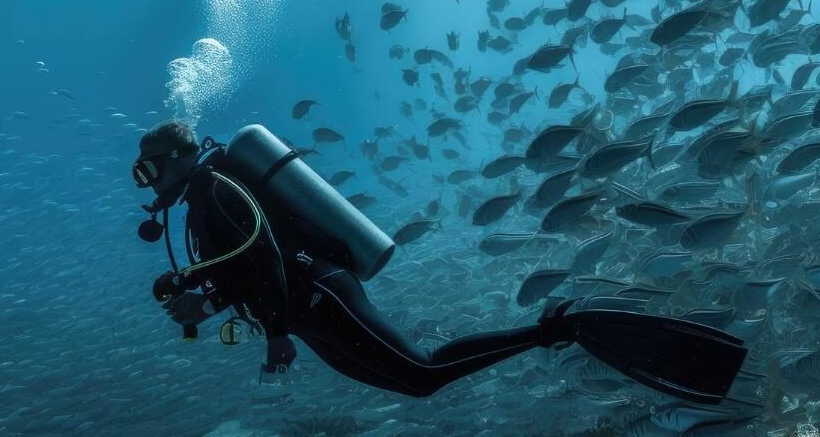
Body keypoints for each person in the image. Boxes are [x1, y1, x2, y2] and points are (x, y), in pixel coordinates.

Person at [133, 119, 748, 401]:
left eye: (150, 166)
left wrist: (273, 335)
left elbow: (266, 254)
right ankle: (555, 328)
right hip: (303, 313)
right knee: (413, 386)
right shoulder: (202, 202)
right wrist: (208, 303)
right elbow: (241, 268)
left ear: (179, 157)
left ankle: (559, 326)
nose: (147, 179)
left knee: (423, 373)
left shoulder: (216, 188)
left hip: (319, 294)